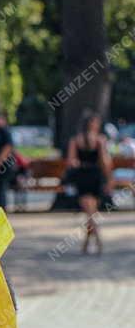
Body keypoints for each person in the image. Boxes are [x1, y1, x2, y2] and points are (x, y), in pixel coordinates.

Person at [66, 108, 113, 253]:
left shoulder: (75, 140)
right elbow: (105, 162)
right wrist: (109, 179)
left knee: (90, 212)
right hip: (95, 176)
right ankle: (97, 237)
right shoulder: (100, 140)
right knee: (91, 211)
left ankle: (87, 242)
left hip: (82, 176)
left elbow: (71, 161)